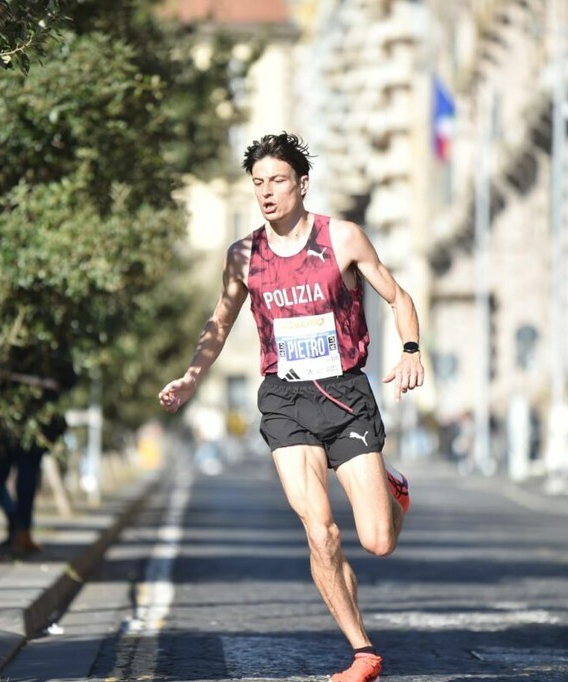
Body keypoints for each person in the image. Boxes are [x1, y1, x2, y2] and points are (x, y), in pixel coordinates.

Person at [158, 132, 424, 682]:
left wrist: (411, 350)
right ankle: (362, 652)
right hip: (285, 399)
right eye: (258, 183)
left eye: (277, 181)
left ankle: (392, 490)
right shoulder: (243, 255)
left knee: (377, 541)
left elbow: (399, 297)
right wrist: (191, 376)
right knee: (320, 531)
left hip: (345, 395)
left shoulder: (342, 238)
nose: (266, 192)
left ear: (302, 184)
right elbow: (219, 322)